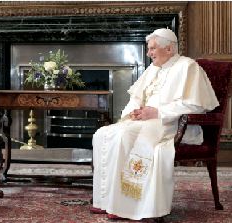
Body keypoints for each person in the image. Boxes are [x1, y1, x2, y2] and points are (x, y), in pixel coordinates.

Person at [90, 28, 219, 220]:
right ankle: (107, 201)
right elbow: (136, 97)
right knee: (102, 133)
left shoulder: (187, 67)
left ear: (169, 49)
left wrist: (157, 112)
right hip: (145, 122)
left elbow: (194, 105)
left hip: (171, 124)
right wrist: (135, 112)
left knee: (124, 137)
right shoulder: (153, 69)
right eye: (149, 49)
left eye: (152, 49)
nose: (149, 53)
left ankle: (127, 207)